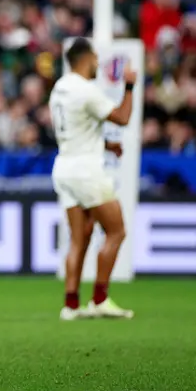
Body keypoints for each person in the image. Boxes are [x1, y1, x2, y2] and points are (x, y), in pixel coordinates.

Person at [49, 37, 136, 321]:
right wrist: (130, 86)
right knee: (116, 231)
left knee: (79, 238)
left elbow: (77, 130)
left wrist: (107, 146)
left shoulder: (59, 88)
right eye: (96, 59)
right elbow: (122, 118)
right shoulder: (86, 91)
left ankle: (70, 305)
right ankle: (100, 299)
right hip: (87, 171)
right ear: (86, 58)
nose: (98, 64)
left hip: (64, 167)